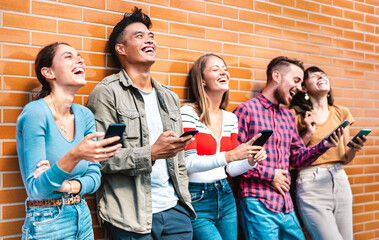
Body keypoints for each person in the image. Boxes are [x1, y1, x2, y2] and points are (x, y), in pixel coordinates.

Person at [86, 7, 195, 239]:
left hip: (176, 212)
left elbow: (179, 160)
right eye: (139, 36)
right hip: (130, 218)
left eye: (151, 36)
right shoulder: (107, 93)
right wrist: (152, 153)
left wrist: (183, 204)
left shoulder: (169, 96)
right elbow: (101, 159)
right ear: (121, 49)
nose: (149, 41)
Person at [16, 42, 122, 239]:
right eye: (68, 56)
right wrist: (76, 155)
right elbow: (38, 189)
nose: (79, 59)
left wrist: (67, 187)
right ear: (48, 73)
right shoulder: (35, 113)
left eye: (79, 56)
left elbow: (94, 176)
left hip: (81, 215)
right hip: (46, 221)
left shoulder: (85, 115)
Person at [233, 56, 343, 240]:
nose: (300, 88)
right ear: (276, 76)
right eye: (296, 80)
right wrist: (271, 175)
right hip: (257, 202)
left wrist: (324, 145)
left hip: (285, 203)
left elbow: (297, 158)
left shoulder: (288, 116)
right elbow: (235, 160)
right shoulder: (246, 111)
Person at [181, 53, 267, 240]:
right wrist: (229, 155)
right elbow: (187, 163)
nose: (224, 73)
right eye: (215, 69)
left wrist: (250, 160)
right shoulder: (188, 113)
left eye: (225, 69)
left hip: (225, 195)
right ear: (202, 81)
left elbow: (231, 169)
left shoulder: (231, 118)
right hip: (196, 198)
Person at [289, 66, 367, 240]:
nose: (321, 77)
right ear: (304, 87)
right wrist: (308, 132)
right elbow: (290, 158)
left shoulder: (342, 112)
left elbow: (346, 158)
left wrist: (354, 148)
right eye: (314, 76)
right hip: (311, 182)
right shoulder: (295, 115)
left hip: (339, 179)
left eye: (323, 74)